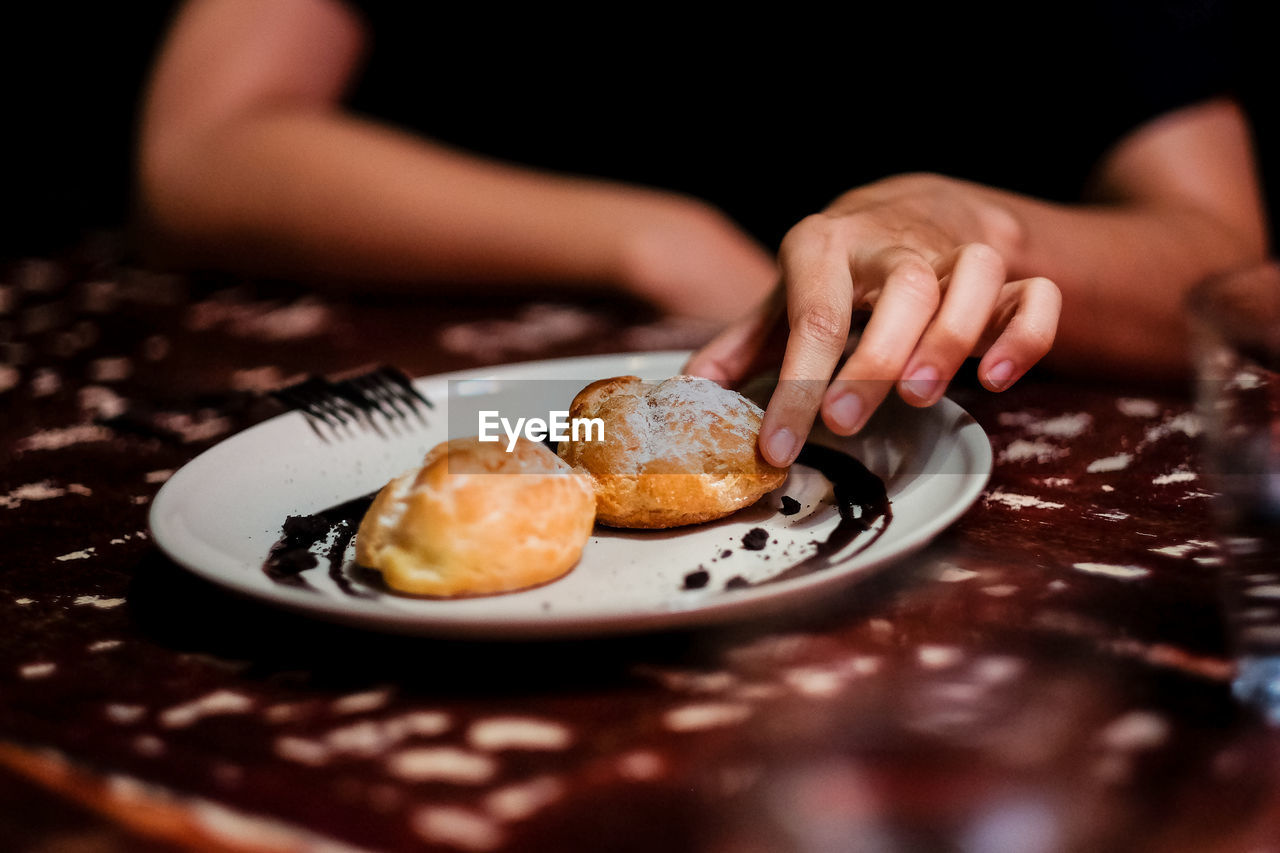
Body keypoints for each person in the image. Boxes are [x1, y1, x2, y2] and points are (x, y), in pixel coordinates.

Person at [134, 0, 1270, 467]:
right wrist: (647, 235)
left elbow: (1224, 266)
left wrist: (986, 227)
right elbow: (204, 148)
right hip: (465, 398)